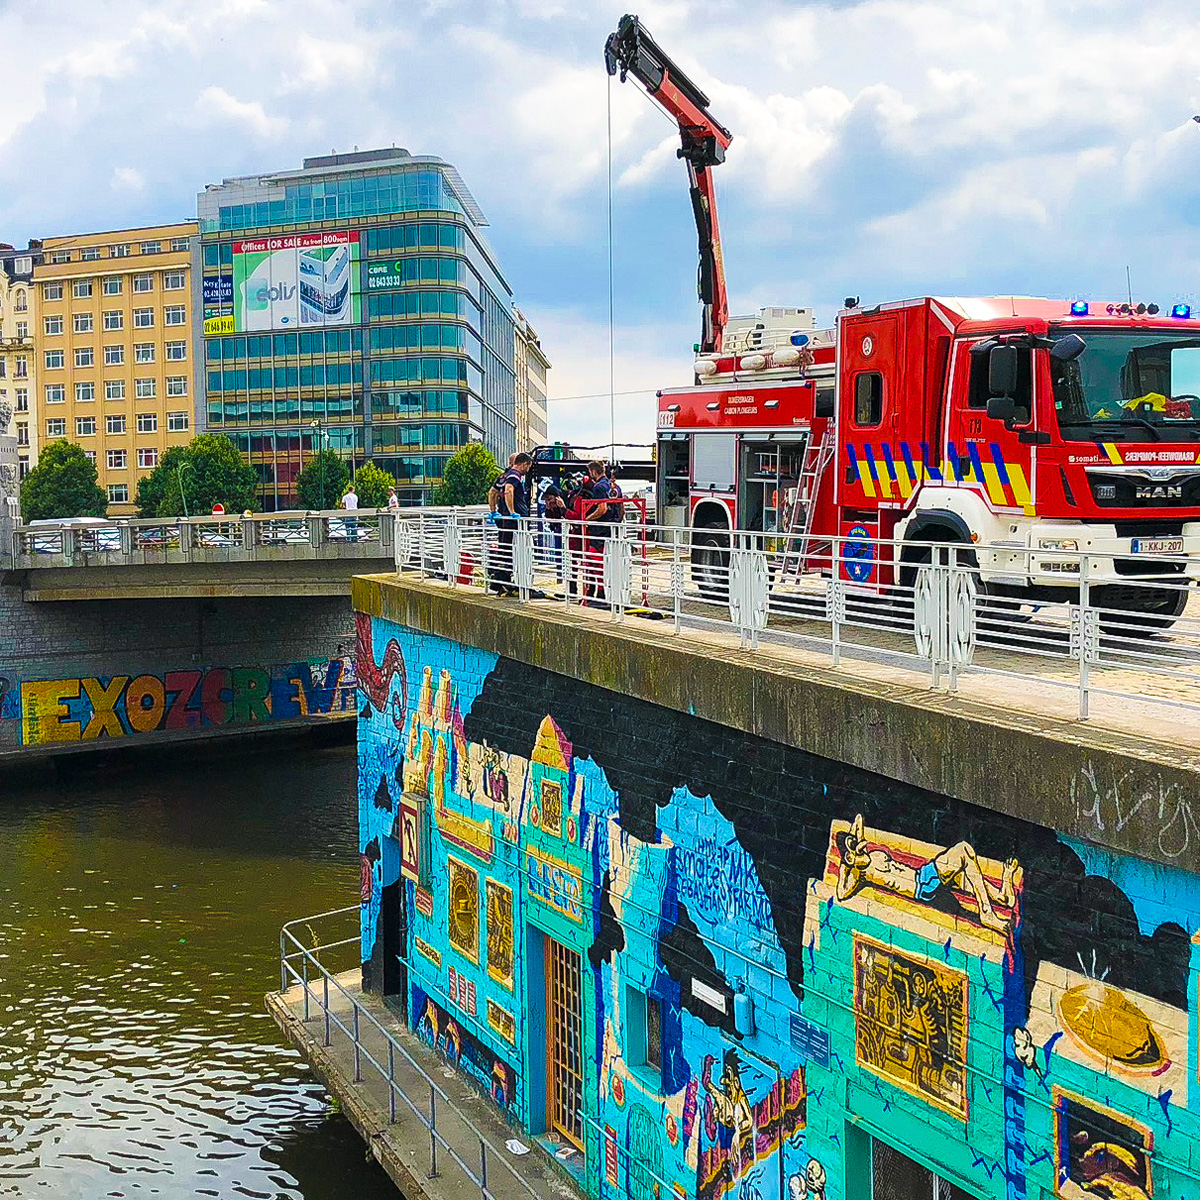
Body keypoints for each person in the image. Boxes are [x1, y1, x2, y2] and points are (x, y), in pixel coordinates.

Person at [834, 813, 1020, 934]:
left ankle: (1002, 896)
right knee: (963, 850)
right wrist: (844, 867)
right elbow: (841, 894)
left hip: (924, 875)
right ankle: (987, 913)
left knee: (966, 875)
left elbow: (858, 818)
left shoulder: (872, 854)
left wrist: (851, 840)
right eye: (853, 843)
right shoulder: (861, 874)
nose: (858, 840)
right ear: (849, 857)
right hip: (921, 886)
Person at [490, 453, 532, 593]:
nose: (528, 470)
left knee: (505, 547)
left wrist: (493, 511)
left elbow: (492, 492)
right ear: (524, 464)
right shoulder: (514, 476)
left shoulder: (503, 476)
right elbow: (508, 490)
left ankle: (501, 580)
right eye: (528, 467)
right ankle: (512, 581)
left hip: (503, 519)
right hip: (515, 521)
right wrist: (512, 512)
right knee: (520, 549)